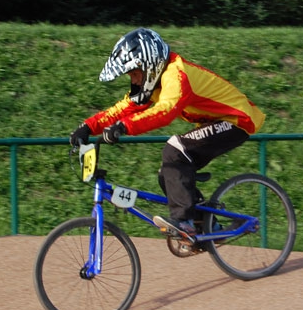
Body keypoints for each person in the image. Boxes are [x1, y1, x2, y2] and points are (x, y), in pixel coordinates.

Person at [69, 28, 265, 240]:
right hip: (216, 121)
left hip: (237, 119)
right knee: (169, 173)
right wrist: (88, 127)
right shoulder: (153, 83)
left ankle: (185, 223)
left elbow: (165, 111)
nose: (134, 80)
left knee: (174, 150)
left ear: (149, 65)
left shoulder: (176, 74)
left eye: (135, 73)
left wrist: (124, 127)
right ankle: (209, 228)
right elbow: (123, 108)